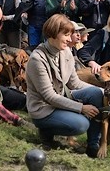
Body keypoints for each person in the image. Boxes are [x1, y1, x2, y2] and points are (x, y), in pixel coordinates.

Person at [26, 14, 103, 157]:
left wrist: (103, 91)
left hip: (61, 97)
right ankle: (46, 130)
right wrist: (81, 108)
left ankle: (93, 145)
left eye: (70, 34)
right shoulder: (37, 59)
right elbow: (49, 96)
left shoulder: (66, 51)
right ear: (53, 33)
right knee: (81, 124)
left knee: (96, 94)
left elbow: (75, 83)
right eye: (66, 34)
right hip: (43, 109)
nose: (70, 39)